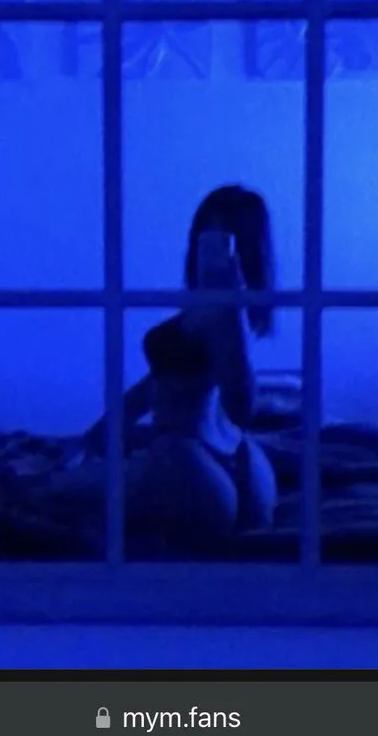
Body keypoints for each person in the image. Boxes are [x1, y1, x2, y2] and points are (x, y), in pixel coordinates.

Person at [83, 184, 278, 550]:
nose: (210, 246)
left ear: (247, 250)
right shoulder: (211, 310)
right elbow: (163, 381)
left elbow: (241, 406)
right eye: (205, 236)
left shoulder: (226, 313)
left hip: (188, 459)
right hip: (236, 461)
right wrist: (102, 431)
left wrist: (232, 306)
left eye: (225, 239)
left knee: (47, 495)